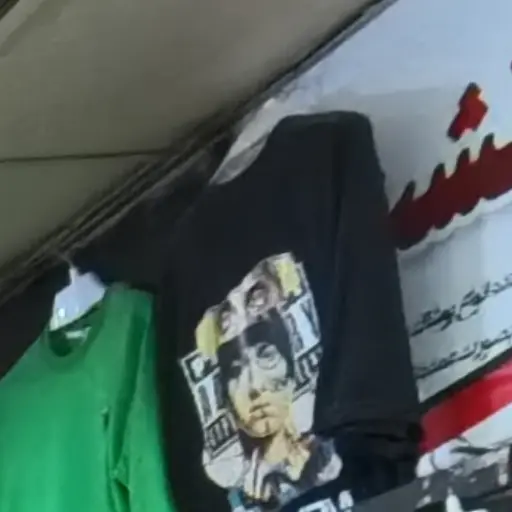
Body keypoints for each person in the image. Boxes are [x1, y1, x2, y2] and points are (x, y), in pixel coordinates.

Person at [195, 255, 341, 510]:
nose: (254, 388)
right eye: (235, 371)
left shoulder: (328, 444)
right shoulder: (232, 477)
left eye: (266, 355)